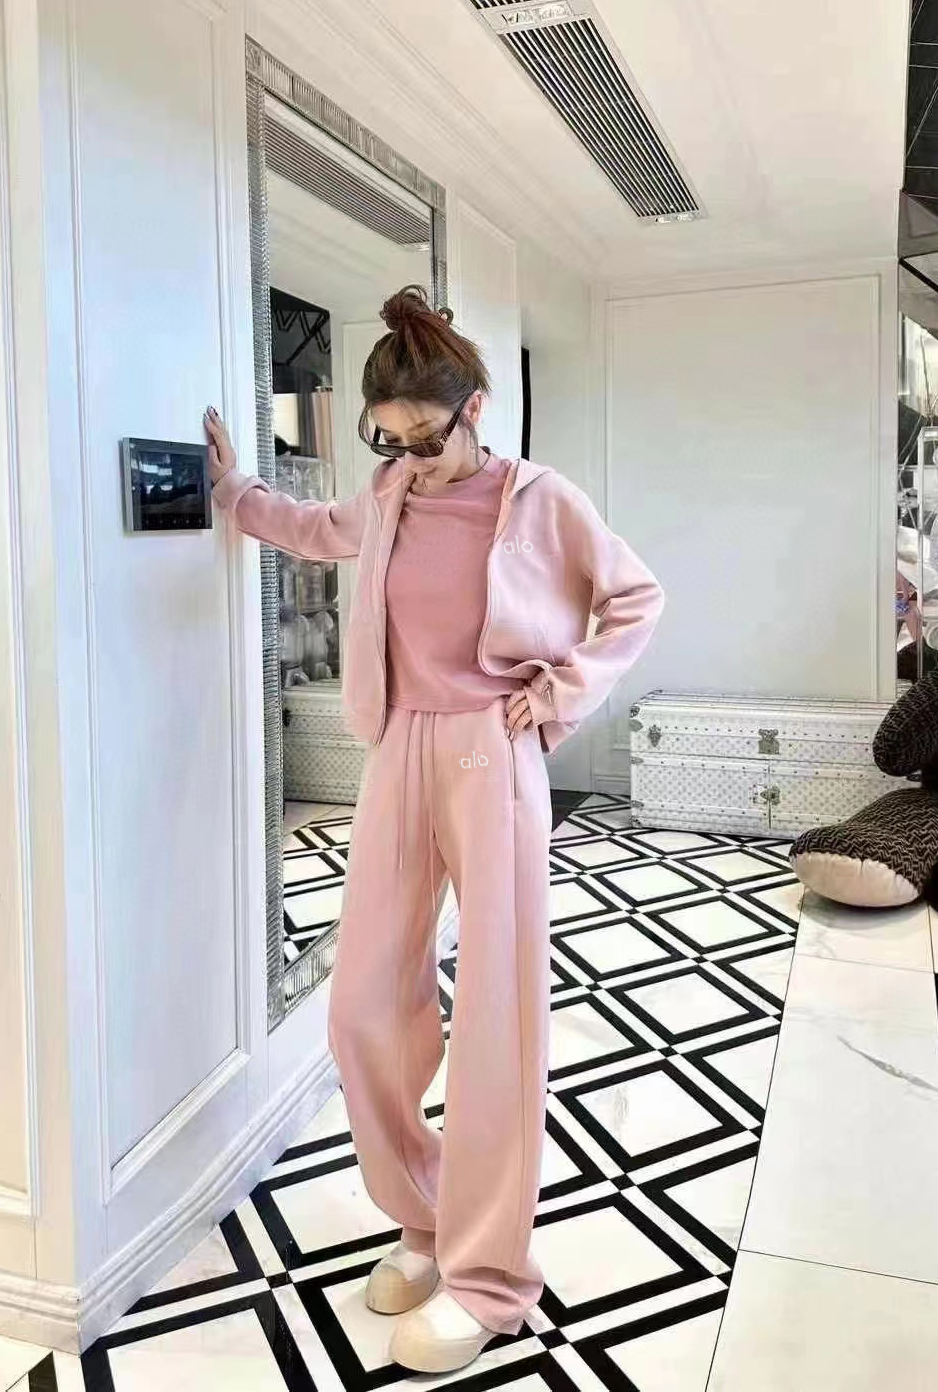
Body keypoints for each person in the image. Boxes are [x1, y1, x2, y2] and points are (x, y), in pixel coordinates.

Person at [204, 284, 664, 1373]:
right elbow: (314, 530)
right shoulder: (390, 494)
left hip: (491, 753)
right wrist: (232, 493)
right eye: (392, 441)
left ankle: (489, 1277)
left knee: (498, 1016)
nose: (413, 459)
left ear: (475, 408)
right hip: (400, 747)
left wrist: (559, 690)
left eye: (427, 437)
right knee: (363, 1002)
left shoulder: (542, 500)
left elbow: (636, 599)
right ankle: (424, 1212)